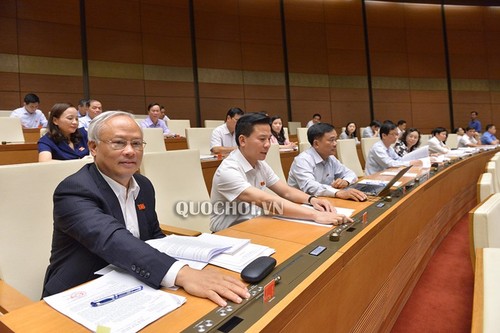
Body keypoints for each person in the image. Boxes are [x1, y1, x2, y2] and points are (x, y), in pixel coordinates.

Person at [42, 111, 249, 307]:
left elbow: (153, 236)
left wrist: (193, 263)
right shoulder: (74, 190)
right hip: (80, 291)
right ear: (93, 147)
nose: (130, 151)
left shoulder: (143, 186)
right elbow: (112, 240)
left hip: (133, 283)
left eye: (137, 143)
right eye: (119, 143)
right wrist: (183, 274)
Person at [210, 113, 352, 232]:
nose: (268, 145)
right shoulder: (228, 170)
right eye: (262, 139)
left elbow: (286, 191)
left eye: (269, 139)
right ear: (242, 140)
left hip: (256, 225)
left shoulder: (260, 164)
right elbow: (265, 201)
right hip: (228, 233)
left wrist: (312, 200)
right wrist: (315, 215)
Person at [288, 123, 366, 202]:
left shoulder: (330, 158)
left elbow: (351, 174)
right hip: (301, 204)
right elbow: (310, 187)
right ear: (316, 144)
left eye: (336, 139)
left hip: (324, 201)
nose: (335, 144)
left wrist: (346, 181)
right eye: (331, 140)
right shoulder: (302, 160)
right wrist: (337, 192)